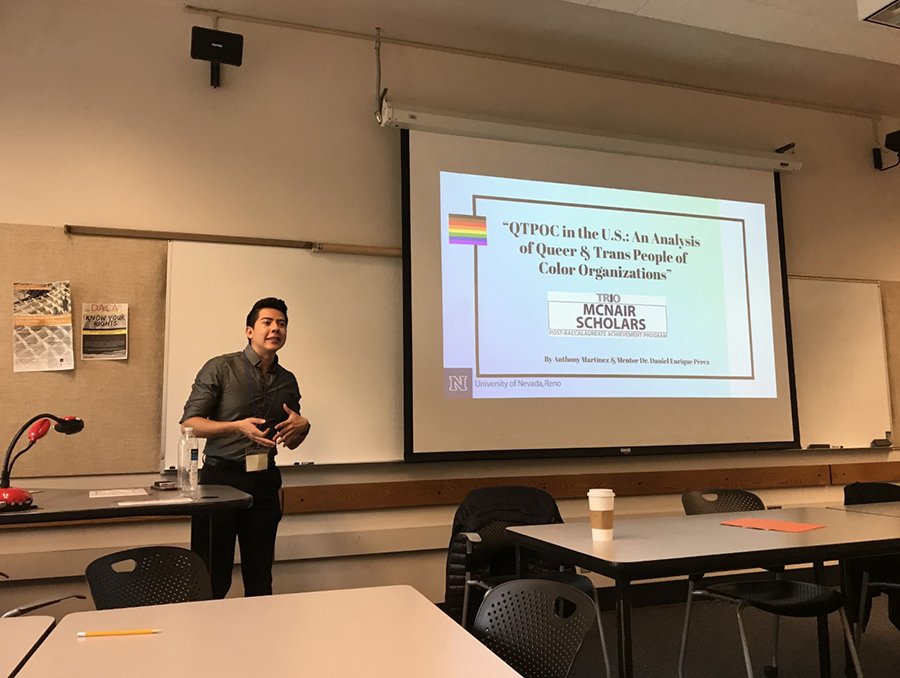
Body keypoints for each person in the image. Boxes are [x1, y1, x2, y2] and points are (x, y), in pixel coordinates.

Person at [180, 297, 310, 598]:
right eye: (267, 322)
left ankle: (260, 643)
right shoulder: (220, 368)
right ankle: (207, 640)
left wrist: (303, 426)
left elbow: (290, 440)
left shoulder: (288, 381)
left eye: (282, 324)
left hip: (263, 482)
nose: (275, 328)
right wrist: (236, 426)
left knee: (260, 576)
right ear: (250, 331)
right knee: (213, 577)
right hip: (220, 481)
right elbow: (189, 424)